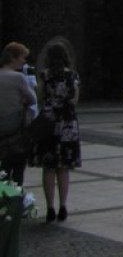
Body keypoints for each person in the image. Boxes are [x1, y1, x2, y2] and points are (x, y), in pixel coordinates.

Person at [32, 43, 82, 223]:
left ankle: (50, 207)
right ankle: (63, 206)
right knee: (64, 167)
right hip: (67, 123)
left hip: (48, 122)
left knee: (48, 167)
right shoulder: (73, 75)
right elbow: (75, 100)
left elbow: (38, 97)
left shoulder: (45, 75)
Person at [0, 42, 36, 185]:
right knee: (18, 170)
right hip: (16, 129)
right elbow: (32, 98)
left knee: (2, 170)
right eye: (22, 57)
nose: (24, 61)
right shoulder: (17, 77)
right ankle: (16, 202)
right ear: (13, 58)